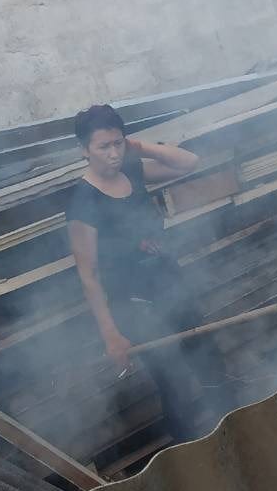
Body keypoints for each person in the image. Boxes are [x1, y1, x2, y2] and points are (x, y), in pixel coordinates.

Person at [65, 104, 223, 441]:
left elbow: (189, 162)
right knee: (172, 382)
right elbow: (88, 273)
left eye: (117, 143)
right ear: (84, 150)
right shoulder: (83, 201)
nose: (112, 154)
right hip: (134, 304)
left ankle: (233, 431)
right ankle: (190, 455)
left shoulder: (133, 172)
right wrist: (111, 335)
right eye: (103, 147)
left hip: (171, 285)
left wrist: (139, 147)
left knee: (210, 360)